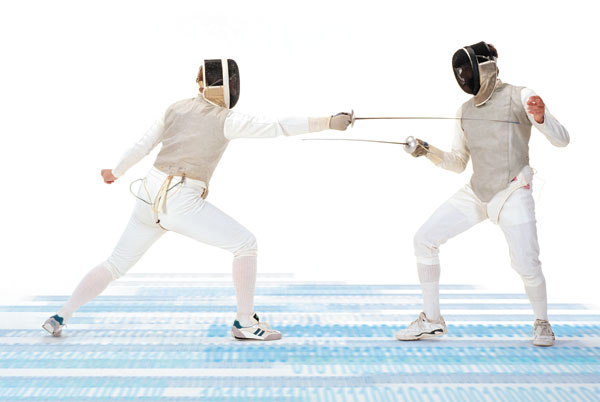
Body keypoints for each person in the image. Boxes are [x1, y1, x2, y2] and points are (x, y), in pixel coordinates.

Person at [42, 59, 352, 341]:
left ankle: (60, 316)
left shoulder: (175, 108)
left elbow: (142, 145)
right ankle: (244, 322)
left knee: (115, 264)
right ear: (223, 85)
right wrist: (328, 121)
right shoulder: (225, 119)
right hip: (180, 199)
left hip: (148, 193)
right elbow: (277, 127)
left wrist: (116, 171)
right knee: (245, 244)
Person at [395, 43, 569, 346]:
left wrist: (542, 118)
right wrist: (427, 151)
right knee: (424, 239)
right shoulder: (464, 112)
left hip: (513, 190)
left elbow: (562, 140)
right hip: (477, 193)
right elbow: (458, 163)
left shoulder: (521, 95)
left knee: (527, 265)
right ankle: (432, 320)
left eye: (468, 69)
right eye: (460, 71)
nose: (464, 76)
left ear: (485, 67)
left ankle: (542, 322)